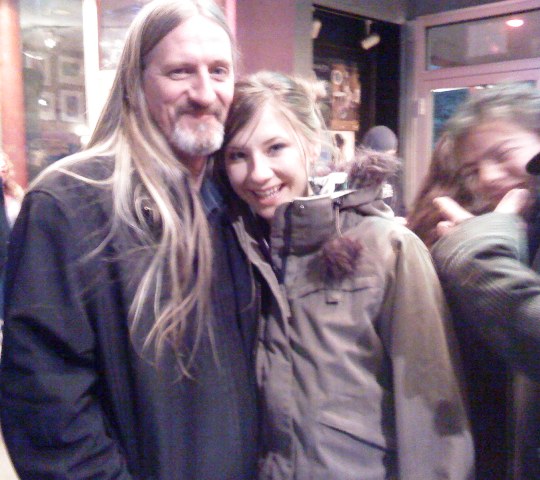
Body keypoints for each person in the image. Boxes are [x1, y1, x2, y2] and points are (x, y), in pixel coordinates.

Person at [0, 1, 259, 479]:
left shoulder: (238, 203)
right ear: (136, 83)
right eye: (180, 72)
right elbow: (47, 410)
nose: (205, 93)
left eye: (219, 70)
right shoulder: (69, 204)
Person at [217, 71, 474, 479]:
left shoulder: (386, 247)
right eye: (237, 155)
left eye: (275, 147)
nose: (258, 173)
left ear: (310, 142)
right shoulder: (237, 253)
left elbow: (434, 417)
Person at [407, 83, 540, 480]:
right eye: (472, 169)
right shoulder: (512, 231)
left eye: (503, 155)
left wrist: (477, 258)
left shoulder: (485, 242)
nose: (487, 177)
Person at [361, 125, 406, 216]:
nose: (390, 160)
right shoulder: (360, 179)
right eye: (385, 156)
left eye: (392, 155)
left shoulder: (393, 176)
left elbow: (400, 206)